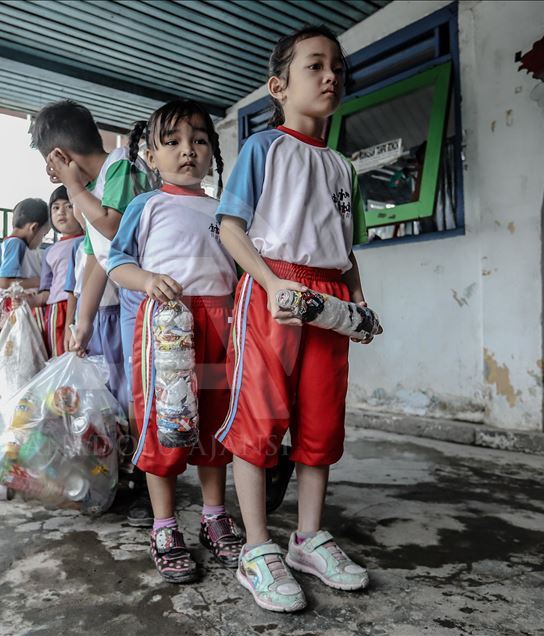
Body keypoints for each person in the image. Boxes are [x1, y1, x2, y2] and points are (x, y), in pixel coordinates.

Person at [215, 25, 373, 612]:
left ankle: (308, 538)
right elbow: (231, 228)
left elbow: (346, 246)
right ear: (279, 85)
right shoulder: (263, 149)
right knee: (258, 417)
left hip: (329, 299)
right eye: (315, 65)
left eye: (337, 67)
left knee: (321, 421)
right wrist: (272, 280)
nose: (331, 75)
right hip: (271, 293)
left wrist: (358, 303)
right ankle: (257, 547)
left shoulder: (343, 168)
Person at [108, 100, 244, 583]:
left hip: (220, 330)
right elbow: (116, 263)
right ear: (151, 154)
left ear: (212, 152)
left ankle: (213, 516)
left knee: (213, 419)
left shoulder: (225, 210)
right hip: (167, 334)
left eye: (199, 140)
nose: (188, 150)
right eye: (173, 142)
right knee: (164, 423)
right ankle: (165, 526)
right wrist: (145, 280)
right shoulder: (146, 205)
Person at [31, 99, 157, 526]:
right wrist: (81, 322)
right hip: (110, 310)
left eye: (52, 165)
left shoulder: (121, 168)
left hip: (141, 306)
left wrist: (71, 186)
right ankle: (125, 475)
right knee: (117, 399)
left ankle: (146, 482)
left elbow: (111, 226)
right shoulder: (95, 190)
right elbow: (96, 257)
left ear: (61, 156)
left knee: (138, 398)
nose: (52, 176)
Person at [0, 198, 50, 339]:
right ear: (33, 228)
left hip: (6, 311)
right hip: (20, 310)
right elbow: (4, 282)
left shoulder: (1, 247)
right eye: (43, 235)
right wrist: (38, 282)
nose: (41, 240)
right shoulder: (17, 244)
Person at [38, 186, 84, 356]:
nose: (61, 212)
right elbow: (45, 290)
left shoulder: (87, 241)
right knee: (57, 355)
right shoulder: (49, 251)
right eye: (56, 208)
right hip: (55, 311)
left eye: (69, 206)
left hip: (81, 306)